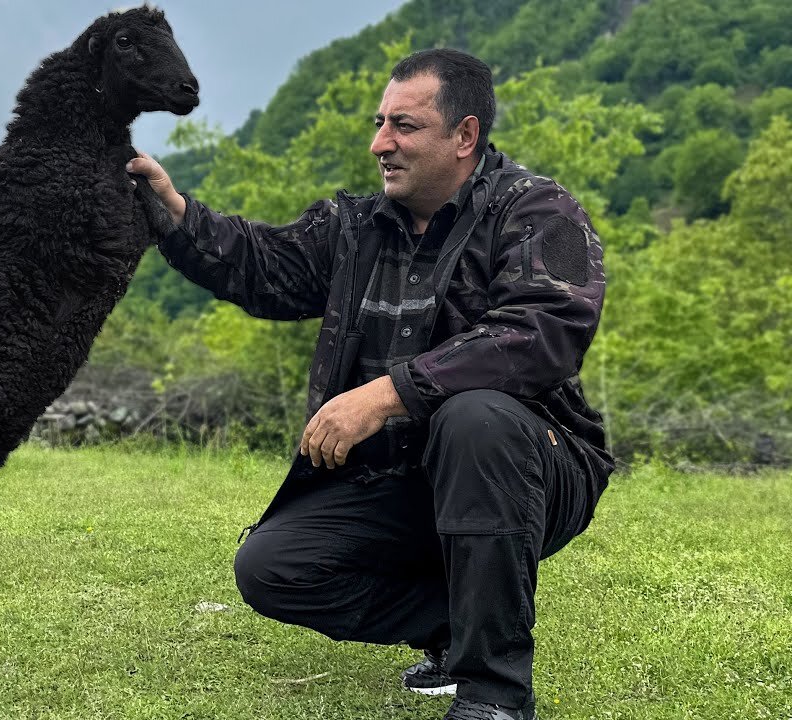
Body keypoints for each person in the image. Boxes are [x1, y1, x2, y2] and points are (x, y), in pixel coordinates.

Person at [127, 48, 613, 720]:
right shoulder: (352, 228)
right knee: (272, 567)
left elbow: (543, 329)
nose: (379, 143)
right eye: (380, 122)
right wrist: (174, 210)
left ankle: (492, 696)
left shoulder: (535, 210)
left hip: (533, 466)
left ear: (464, 136)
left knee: (475, 418)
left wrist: (386, 393)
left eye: (404, 126)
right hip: (399, 483)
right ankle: (457, 621)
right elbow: (261, 265)